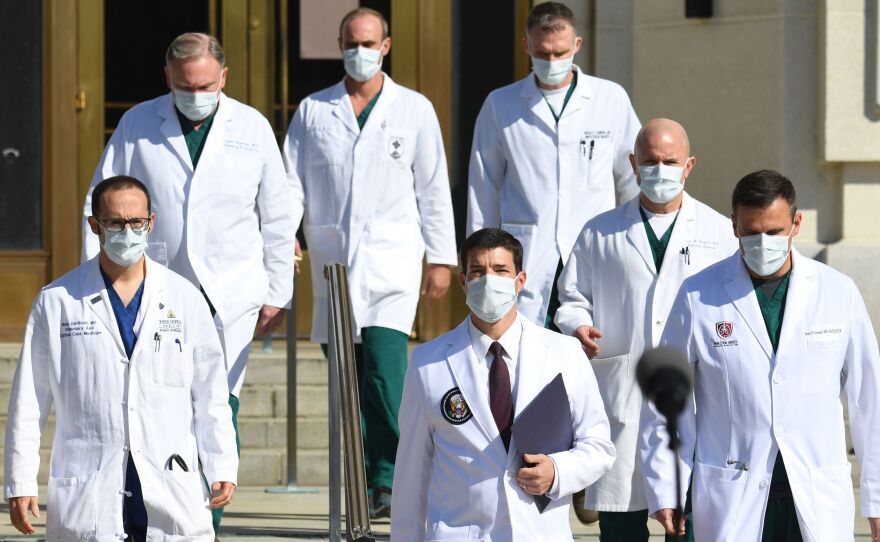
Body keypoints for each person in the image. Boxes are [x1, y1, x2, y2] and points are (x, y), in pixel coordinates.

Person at [80, 33, 297, 531]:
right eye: (184, 85)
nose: (194, 94)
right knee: (164, 402)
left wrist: (277, 292)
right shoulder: (138, 123)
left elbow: (278, 216)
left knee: (220, 405)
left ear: (223, 77)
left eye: (204, 84)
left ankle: (207, 523)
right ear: (168, 79)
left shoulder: (252, 126)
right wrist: (97, 276)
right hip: (157, 285)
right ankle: (161, 516)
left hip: (233, 292)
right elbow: (101, 197)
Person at [640, 170, 880, 541]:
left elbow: (871, 400)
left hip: (815, 492)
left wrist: (876, 499)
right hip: (733, 490)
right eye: (751, 232)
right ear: (733, 225)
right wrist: (667, 486)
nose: (762, 242)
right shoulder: (698, 296)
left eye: (773, 231)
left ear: (796, 223)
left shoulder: (837, 292)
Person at [282, 7, 457, 517]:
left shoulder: (414, 109)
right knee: (347, 381)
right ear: (340, 44)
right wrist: (286, 235)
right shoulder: (314, 110)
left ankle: (391, 476)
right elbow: (290, 183)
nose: (359, 51)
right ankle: (362, 483)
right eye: (351, 42)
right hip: (333, 264)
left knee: (384, 372)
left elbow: (432, 188)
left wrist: (441, 258)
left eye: (369, 42)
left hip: (393, 264)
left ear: (386, 45)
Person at [6, 176, 238, 541]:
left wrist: (221, 463)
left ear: (151, 222)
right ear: (94, 226)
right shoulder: (58, 301)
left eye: (136, 222)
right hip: (90, 486)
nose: (127, 231)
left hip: (169, 479)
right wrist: (19, 481)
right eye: (115, 223)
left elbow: (210, 395)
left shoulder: (184, 297)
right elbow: (28, 402)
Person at [554, 118, 737, 540]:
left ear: (689, 165)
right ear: (633, 165)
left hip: (694, 395)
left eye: (669, 161)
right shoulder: (599, 231)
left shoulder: (717, 232)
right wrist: (578, 325)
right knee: (621, 517)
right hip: (621, 393)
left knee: (689, 517)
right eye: (650, 161)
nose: (659, 170)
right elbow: (572, 298)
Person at [391, 228, 615, 541]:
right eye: (478, 272)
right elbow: (411, 474)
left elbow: (599, 446)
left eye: (500, 271)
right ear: (463, 281)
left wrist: (557, 472)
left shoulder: (565, 354)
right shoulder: (428, 362)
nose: (488, 280)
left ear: (520, 281)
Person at [467, 1, 640, 332]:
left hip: (594, 247)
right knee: (527, 353)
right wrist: (480, 261)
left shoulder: (610, 99)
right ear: (527, 45)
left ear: (577, 44)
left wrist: (633, 242)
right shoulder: (500, 105)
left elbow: (632, 178)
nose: (552, 62)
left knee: (589, 350)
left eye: (560, 53)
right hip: (529, 250)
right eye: (543, 53)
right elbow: (483, 187)